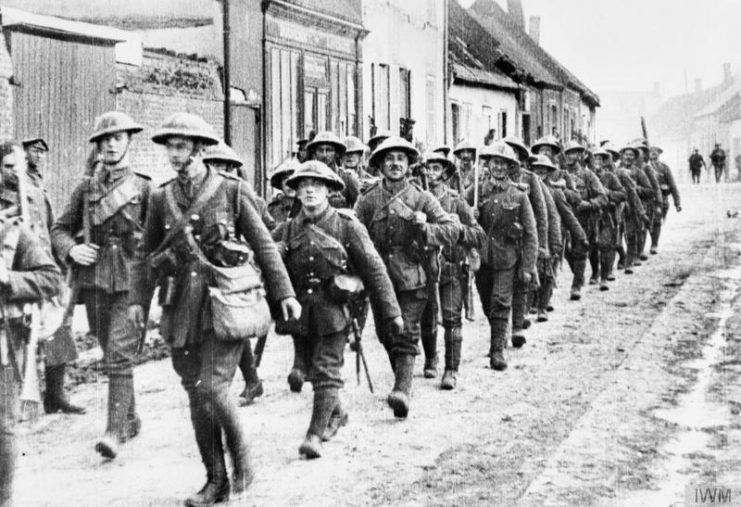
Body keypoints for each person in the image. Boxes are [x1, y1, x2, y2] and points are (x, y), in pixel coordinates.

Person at [128, 112, 300, 505]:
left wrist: (284, 293)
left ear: (200, 149)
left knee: (213, 387)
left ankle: (243, 460)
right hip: (181, 310)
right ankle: (215, 480)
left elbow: (264, 246)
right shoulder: (161, 197)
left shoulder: (231, 191)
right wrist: (139, 300)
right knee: (194, 392)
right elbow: (145, 254)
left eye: (182, 147)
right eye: (170, 147)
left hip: (224, 305)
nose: (174, 154)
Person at [273, 161, 401, 458]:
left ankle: (314, 435)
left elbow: (374, 269)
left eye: (316, 185)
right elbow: (268, 260)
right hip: (301, 315)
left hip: (335, 311)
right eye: (303, 186)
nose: (309, 191)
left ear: (329, 190)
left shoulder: (347, 226)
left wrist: (392, 312)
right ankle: (336, 413)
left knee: (326, 368)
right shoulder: (288, 229)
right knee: (316, 372)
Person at [51, 111, 152, 458]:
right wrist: (73, 249)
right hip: (95, 282)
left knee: (120, 355)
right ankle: (131, 417)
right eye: (104, 139)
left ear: (128, 142)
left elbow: (156, 238)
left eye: (117, 138)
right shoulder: (86, 187)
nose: (110, 144)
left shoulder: (143, 186)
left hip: (130, 280)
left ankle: (113, 431)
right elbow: (59, 229)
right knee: (111, 350)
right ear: (97, 146)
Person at [354, 136, 457, 418]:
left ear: (409, 164)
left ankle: (402, 390)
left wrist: (426, 228)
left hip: (414, 274)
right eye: (389, 159)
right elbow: (352, 230)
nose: (395, 164)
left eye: (401, 159)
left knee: (407, 330)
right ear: (379, 165)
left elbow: (450, 229)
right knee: (386, 334)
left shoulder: (422, 197)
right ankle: (403, 375)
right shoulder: (368, 199)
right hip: (379, 277)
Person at [0, 141, 64, 507]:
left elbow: (50, 277)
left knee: (3, 426)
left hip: (5, 343)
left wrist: (9, 279)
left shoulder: (13, 233)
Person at [0, 140, 83, 417]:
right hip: (16, 276)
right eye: (9, 167)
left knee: (58, 330)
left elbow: (50, 230)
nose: (16, 172)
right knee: (21, 341)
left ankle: (56, 394)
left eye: (20, 165)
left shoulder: (35, 193)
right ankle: (19, 403)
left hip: (43, 270)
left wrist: (60, 273)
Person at [202, 142, 273, 407]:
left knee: (234, 326)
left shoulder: (242, 194)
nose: (220, 171)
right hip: (208, 273)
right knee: (229, 328)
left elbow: (266, 232)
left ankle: (233, 385)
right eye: (214, 165)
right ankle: (252, 381)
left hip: (237, 274)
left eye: (225, 166)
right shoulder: (200, 196)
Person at [418, 152, 485, 389]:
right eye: (428, 168)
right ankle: (430, 358)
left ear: (445, 173)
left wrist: (459, 232)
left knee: (452, 320)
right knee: (426, 320)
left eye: (436, 169)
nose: (431, 173)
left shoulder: (456, 202)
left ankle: (451, 369)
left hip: (451, 270)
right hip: (423, 271)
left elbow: (479, 234)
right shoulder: (418, 199)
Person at [472, 142, 537, 371]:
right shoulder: (477, 192)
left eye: (503, 164)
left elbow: (531, 234)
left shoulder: (518, 196)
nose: (498, 167)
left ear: (510, 167)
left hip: (507, 258)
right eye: (494, 162)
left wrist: (528, 267)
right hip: (482, 259)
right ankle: (498, 335)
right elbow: (457, 216)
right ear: (488, 164)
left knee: (501, 301)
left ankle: (497, 351)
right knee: (487, 303)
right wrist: (469, 215)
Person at [503, 137, 548, 345]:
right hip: (501, 242)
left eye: (513, 153)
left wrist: (542, 245)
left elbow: (541, 213)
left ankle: (517, 327)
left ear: (520, 157)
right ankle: (503, 326)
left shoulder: (530, 179)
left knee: (522, 281)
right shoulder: (492, 179)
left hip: (523, 239)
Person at [561, 141, 607, 300]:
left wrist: (589, 204)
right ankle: (579, 276)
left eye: (573, 153)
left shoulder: (588, 175)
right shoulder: (560, 175)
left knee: (580, 251)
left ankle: (576, 286)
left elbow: (603, 197)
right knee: (565, 251)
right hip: (564, 219)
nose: (569, 156)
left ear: (580, 156)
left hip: (583, 219)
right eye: (567, 153)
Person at [589, 148, 627, 289]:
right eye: (594, 159)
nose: (597, 162)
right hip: (591, 215)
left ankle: (605, 276)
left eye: (600, 159)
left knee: (606, 246)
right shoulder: (588, 176)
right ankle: (594, 273)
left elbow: (623, 194)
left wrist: (609, 193)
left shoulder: (610, 177)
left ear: (604, 162)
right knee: (591, 246)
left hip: (607, 216)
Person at [618, 144, 652, 274]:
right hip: (618, 207)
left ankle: (629, 263)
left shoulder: (639, 172)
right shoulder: (617, 171)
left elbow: (649, 191)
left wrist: (637, 188)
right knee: (616, 239)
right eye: (626, 154)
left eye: (631, 155)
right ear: (622, 156)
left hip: (633, 208)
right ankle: (622, 256)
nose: (628, 157)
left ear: (635, 158)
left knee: (631, 236)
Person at [306, 131, 361, 209]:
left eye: (329, 150)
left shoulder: (347, 178)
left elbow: (360, 209)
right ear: (314, 153)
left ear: (337, 153)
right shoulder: (308, 178)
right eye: (320, 150)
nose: (324, 155)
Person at [649, 146, 681, 254]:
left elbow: (673, 185)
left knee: (657, 221)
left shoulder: (664, 168)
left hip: (661, 199)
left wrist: (677, 202)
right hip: (648, 199)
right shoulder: (645, 167)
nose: (653, 154)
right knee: (647, 222)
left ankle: (654, 244)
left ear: (659, 154)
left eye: (655, 152)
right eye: (651, 152)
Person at [267, 158, 300, 226]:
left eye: (294, 179)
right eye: (285, 179)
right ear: (280, 184)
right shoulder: (272, 210)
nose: (290, 185)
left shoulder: (309, 208)